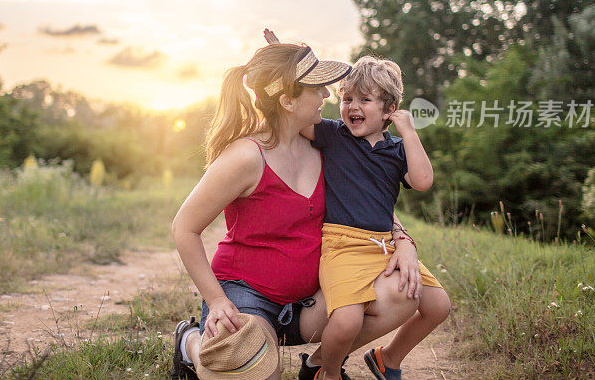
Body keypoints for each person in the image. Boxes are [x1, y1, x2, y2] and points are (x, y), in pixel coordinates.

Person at [171, 42, 423, 380]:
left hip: (310, 304)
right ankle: (190, 342)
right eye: (316, 88)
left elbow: (368, 200)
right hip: (247, 298)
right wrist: (216, 300)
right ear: (288, 101)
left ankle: (319, 366)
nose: (326, 96)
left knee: (402, 293)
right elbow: (184, 228)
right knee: (247, 373)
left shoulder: (323, 147)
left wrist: (403, 239)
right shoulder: (246, 156)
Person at [297, 55, 451, 380]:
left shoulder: (396, 149)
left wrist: (408, 130)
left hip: (383, 246)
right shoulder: (334, 135)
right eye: (347, 98)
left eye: (364, 100)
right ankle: (326, 372)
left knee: (438, 306)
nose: (352, 106)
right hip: (342, 245)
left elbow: (422, 181)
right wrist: (292, 71)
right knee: (346, 321)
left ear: (388, 110)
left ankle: (388, 358)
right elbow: (296, 118)